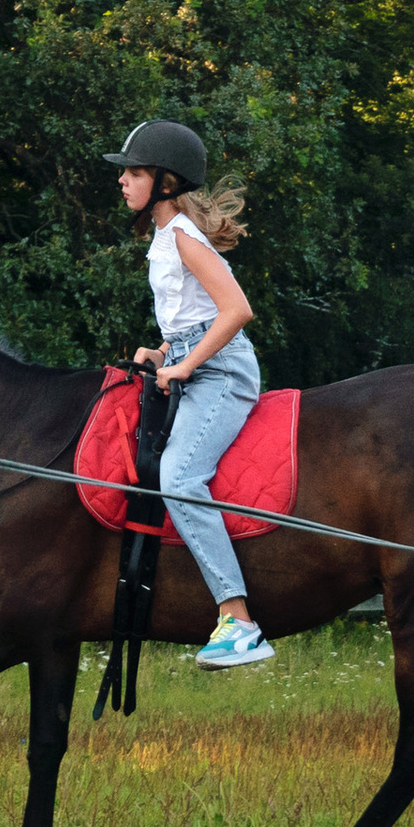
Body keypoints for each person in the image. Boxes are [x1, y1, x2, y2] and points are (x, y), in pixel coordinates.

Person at [102, 118, 274, 668]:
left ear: (166, 182)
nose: (123, 181)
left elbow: (237, 311)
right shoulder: (162, 235)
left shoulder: (182, 236)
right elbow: (190, 318)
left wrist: (185, 366)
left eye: (134, 172)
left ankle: (239, 621)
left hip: (222, 373)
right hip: (193, 360)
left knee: (179, 478)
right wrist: (162, 354)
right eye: (125, 172)